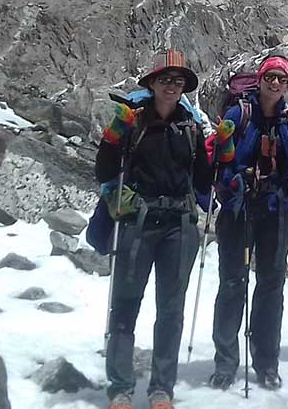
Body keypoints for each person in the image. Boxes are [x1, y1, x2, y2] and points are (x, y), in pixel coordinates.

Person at [97, 50, 213, 409]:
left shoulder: (190, 127)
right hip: (138, 223)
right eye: (166, 80)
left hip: (179, 225)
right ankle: (120, 386)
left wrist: (221, 151)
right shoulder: (134, 122)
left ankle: (162, 388)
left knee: (171, 309)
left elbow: (205, 180)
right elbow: (104, 170)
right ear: (152, 83)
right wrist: (115, 134)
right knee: (125, 303)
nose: (172, 87)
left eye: (178, 82)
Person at [208, 54, 288, 390]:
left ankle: (266, 362)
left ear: (287, 85)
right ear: (261, 79)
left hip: (276, 210)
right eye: (270, 77)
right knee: (232, 283)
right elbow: (221, 161)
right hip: (239, 210)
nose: (275, 84)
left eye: (281, 79)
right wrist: (231, 181)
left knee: (271, 287)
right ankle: (226, 362)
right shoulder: (238, 115)